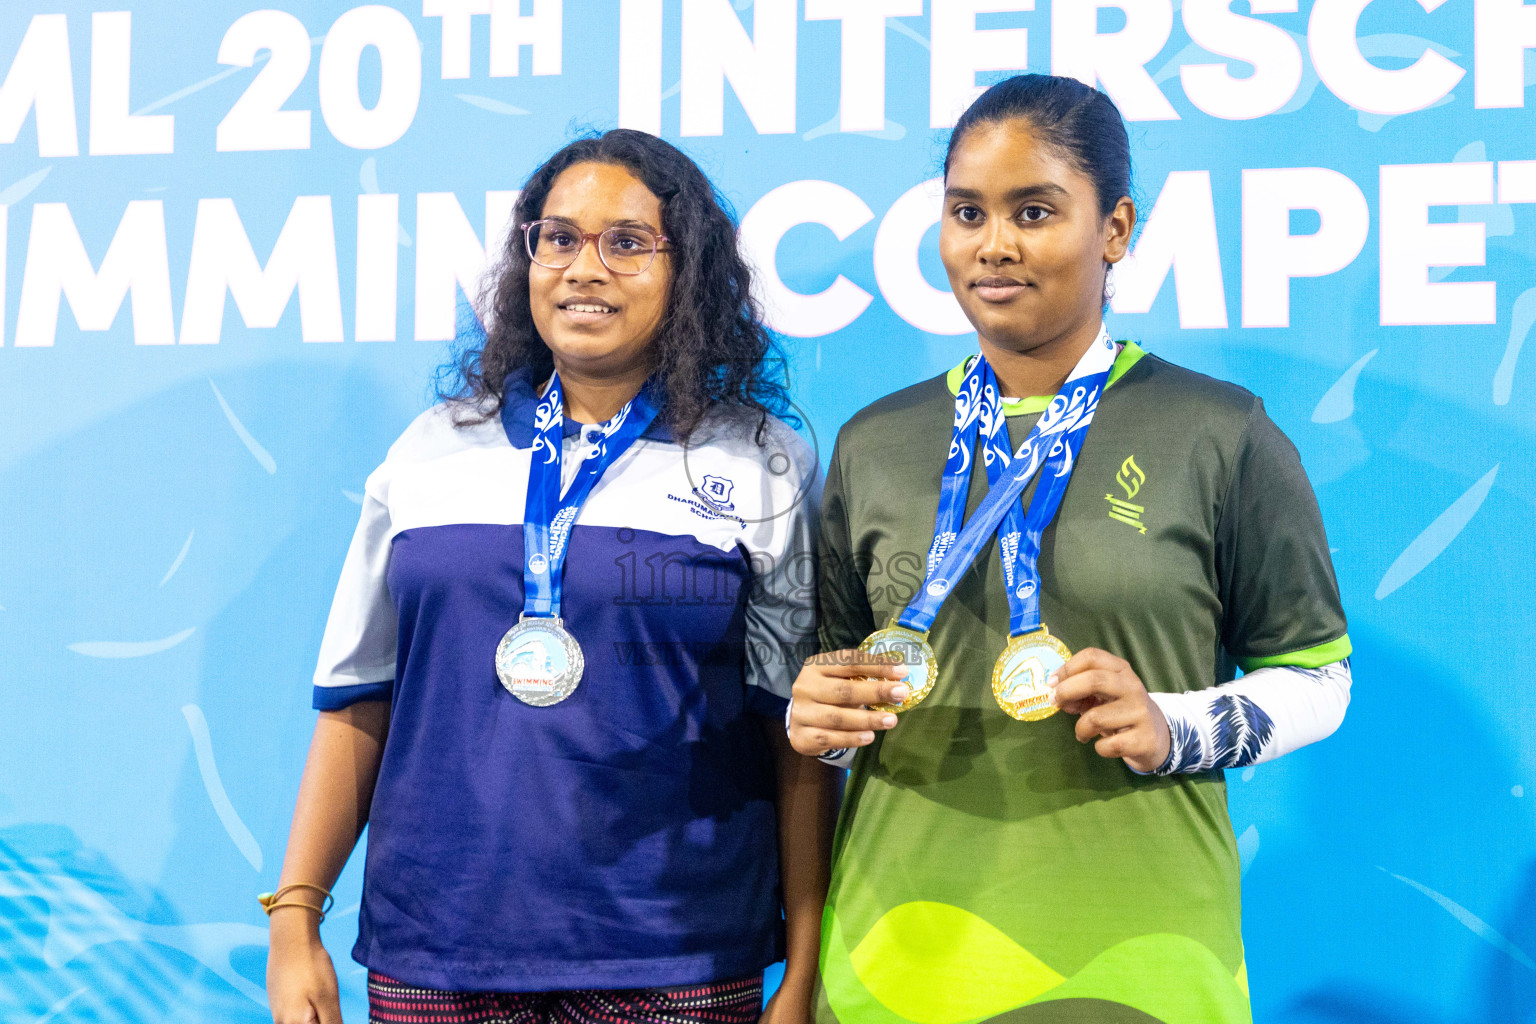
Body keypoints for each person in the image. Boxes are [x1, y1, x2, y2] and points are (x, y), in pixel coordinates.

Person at [787, 75, 1351, 1024]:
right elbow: (831, 679)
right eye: (966, 212)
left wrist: (1177, 726)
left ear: (1116, 229)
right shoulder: (873, 441)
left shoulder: (1218, 430)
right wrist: (817, 706)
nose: (993, 244)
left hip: (1141, 964)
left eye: (1035, 211)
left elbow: (1318, 678)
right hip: (893, 963)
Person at [265, 129, 837, 1024]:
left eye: (627, 242)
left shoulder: (761, 462)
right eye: (559, 238)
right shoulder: (431, 452)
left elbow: (796, 738)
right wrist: (295, 916)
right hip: (439, 950)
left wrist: (805, 970)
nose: (584, 268)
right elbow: (358, 700)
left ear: (687, 272)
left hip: (673, 956)